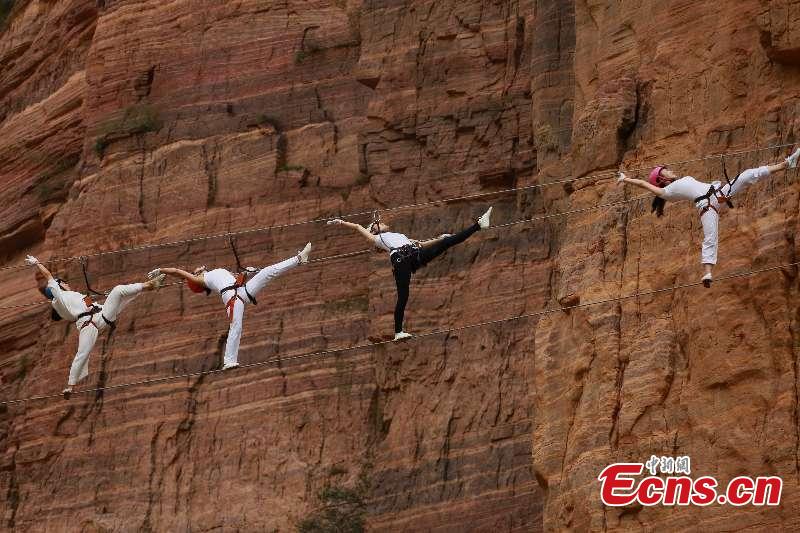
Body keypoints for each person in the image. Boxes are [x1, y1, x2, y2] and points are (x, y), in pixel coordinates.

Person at [618, 148, 800, 287]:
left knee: (747, 175)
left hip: (719, 193)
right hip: (706, 206)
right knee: (710, 238)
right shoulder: (666, 191)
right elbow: (642, 183)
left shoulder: (679, 181)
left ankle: (786, 164)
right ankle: (707, 272)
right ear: (661, 179)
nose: (669, 170)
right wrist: (626, 179)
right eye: (664, 171)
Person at [328, 207, 493, 340]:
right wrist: (341, 222)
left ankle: (479, 225)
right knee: (403, 296)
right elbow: (357, 227)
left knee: (447, 242)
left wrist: (439, 238)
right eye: (378, 224)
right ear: (374, 230)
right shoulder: (378, 239)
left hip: (414, 254)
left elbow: (421, 243)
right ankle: (398, 332)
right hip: (400, 260)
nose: (383, 223)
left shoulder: (399, 235)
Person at [149, 243, 312, 370]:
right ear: (197, 277)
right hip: (233, 298)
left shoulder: (216, 273)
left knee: (267, 272)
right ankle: (229, 361)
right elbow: (178, 271)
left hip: (241, 291)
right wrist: (161, 270)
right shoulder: (201, 279)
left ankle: (298, 259)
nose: (197, 268)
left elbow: (236, 279)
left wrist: (248, 272)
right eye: (195, 271)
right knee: (236, 327)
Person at [25, 255, 166, 399]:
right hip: (90, 323)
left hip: (100, 314)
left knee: (118, 292)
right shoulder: (58, 296)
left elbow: (85, 304)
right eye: (63, 282)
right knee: (82, 353)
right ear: (58, 286)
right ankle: (70, 386)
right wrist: (37, 263)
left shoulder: (68, 297)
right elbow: (48, 276)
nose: (66, 284)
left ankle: (150, 285)